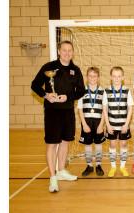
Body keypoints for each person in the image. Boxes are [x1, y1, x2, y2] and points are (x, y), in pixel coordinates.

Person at [31, 40, 86, 193]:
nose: (67, 53)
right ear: (59, 52)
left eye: (70, 50)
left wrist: (67, 97)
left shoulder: (76, 70)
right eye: (64, 50)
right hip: (52, 111)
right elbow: (35, 85)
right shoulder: (48, 67)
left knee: (65, 142)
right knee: (52, 144)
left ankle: (61, 171)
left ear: (72, 53)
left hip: (68, 110)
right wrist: (46, 95)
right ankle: (53, 177)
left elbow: (81, 91)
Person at [103, 66, 134, 178]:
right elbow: (105, 109)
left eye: (119, 76)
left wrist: (126, 124)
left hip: (123, 125)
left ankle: (122, 166)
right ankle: (113, 166)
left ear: (123, 77)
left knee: (124, 144)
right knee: (113, 144)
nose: (116, 78)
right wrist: (108, 125)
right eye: (114, 76)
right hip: (111, 124)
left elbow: (130, 108)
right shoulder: (106, 91)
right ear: (111, 77)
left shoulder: (126, 90)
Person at [77, 67, 106, 177]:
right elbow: (80, 109)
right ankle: (89, 165)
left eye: (94, 76)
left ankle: (98, 165)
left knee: (98, 143)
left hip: (98, 122)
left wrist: (101, 125)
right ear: (86, 77)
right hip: (86, 122)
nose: (92, 78)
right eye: (90, 75)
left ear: (98, 78)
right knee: (87, 144)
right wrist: (84, 124)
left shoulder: (103, 92)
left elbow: (104, 110)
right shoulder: (82, 92)